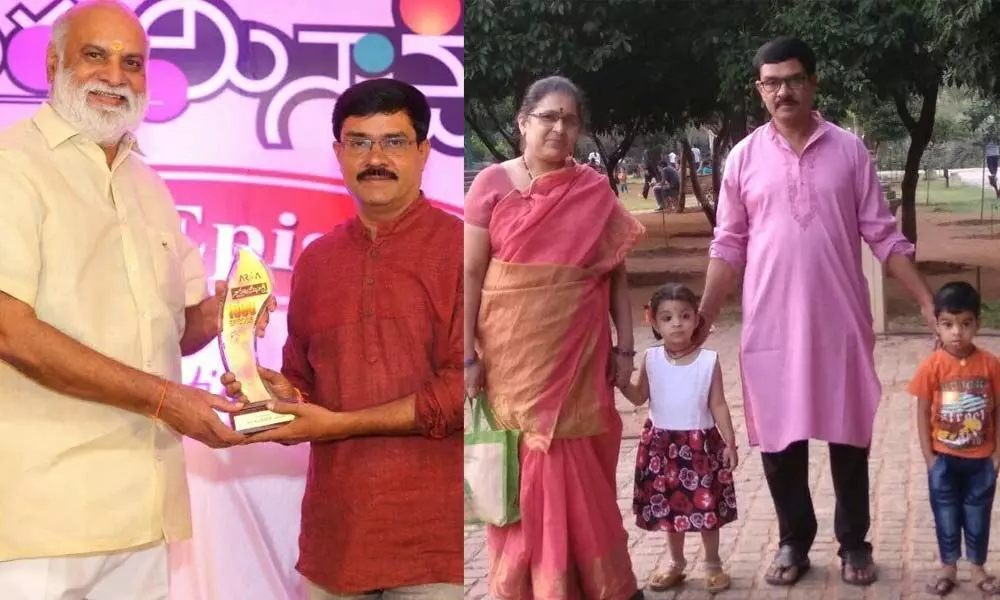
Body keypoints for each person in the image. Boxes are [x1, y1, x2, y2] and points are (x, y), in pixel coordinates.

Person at [0, 1, 250, 598]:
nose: (116, 76)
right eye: (96, 56)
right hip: (40, 514)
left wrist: (228, 313)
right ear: (53, 63)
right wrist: (168, 399)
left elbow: (176, 331)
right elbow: (11, 330)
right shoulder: (13, 166)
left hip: (144, 511)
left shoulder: (148, 183)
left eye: (132, 62)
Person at [697, 36, 936, 588]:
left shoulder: (849, 150)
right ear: (760, 91)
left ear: (813, 82)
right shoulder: (743, 158)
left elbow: (882, 234)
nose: (784, 90)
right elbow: (727, 244)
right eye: (772, 82)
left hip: (840, 324)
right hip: (770, 327)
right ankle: (792, 542)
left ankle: (855, 544)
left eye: (794, 79)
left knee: (850, 435)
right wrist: (706, 313)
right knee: (781, 442)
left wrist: (925, 299)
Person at [221, 78, 463, 600]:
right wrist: (277, 394)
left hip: (434, 546)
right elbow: (304, 383)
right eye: (359, 142)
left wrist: (338, 424)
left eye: (394, 141)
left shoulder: (460, 249)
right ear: (338, 153)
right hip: (336, 544)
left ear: (423, 151)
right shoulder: (315, 261)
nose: (376, 157)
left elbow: (463, 391)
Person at [464, 75, 646, 600]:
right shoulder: (491, 185)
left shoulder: (591, 189)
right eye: (548, 117)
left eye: (570, 119)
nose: (560, 128)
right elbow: (472, 274)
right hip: (511, 361)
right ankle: (534, 586)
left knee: (579, 469)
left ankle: (602, 585)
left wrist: (625, 348)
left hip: (580, 355)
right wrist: (465, 356)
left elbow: (616, 274)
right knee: (528, 474)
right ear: (523, 122)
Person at [619, 284, 739, 595]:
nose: (677, 323)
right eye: (668, 317)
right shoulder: (652, 359)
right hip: (662, 449)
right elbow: (639, 396)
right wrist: (620, 382)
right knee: (670, 511)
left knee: (706, 508)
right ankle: (676, 563)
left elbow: (718, 403)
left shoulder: (708, 361)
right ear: (655, 323)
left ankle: (713, 564)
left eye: (685, 316)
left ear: (696, 320)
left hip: (700, 447)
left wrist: (730, 442)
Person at [908, 282, 1000, 596]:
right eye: (947, 324)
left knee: (978, 514)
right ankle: (948, 566)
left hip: (981, 461)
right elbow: (922, 411)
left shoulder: (990, 365)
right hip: (943, 458)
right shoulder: (932, 366)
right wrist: (930, 458)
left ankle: (977, 567)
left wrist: (996, 454)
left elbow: (998, 409)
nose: (956, 333)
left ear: (978, 323)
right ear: (936, 325)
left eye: (965, 324)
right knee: (945, 513)